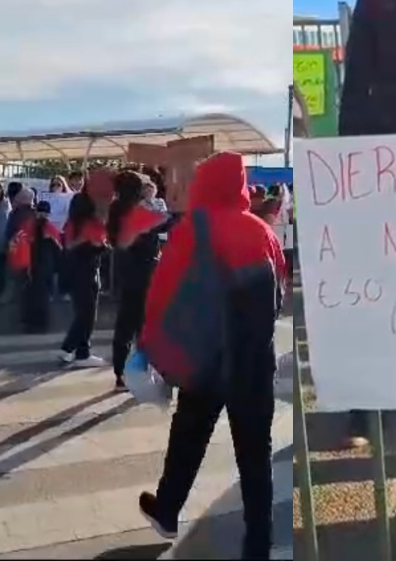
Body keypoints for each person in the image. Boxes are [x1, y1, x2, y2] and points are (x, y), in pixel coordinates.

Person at [136, 151, 285, 560]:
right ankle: (258, 544)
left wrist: (150, 341)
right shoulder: (264, 231)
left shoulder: (193, 228)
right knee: (255, 456)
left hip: (206, 358)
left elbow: (162, 290)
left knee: (188, 436)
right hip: (254, 362)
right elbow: (280, 292)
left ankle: (167, 511)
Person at [106, 170, 171, 391]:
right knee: (144, 325)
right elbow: (168, 222)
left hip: (124, 271)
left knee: (124, 325)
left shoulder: (116, 209)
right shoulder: (139, 211)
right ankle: (143, 371)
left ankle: (120, 373)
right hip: (144, 271)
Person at [58, 191, 108, 368]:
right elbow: (98, 244)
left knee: (82, 312)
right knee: (87, 315)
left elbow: (68, 245)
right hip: (88, 270)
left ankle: (82, 351)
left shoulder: (71, 223)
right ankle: (70, 348)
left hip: (72, 270)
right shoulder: (93, 225)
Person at [9, 200, 62, 333]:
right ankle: (39, 323)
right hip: (41, 267)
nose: (42, 215)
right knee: (40, 296)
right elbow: (59, 251)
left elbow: (15, 244)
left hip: (32, 267)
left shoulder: (28, 227)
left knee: (30, 296)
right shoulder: (50, 229)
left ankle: (30, 322)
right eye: (42, 212)